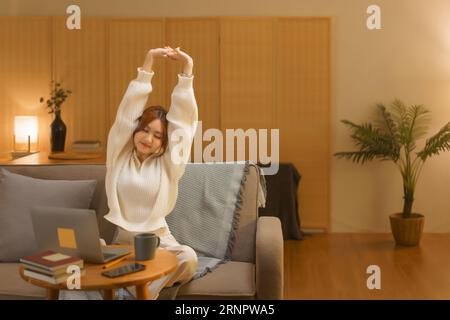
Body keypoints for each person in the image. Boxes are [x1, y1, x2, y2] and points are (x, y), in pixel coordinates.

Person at [60, 46, 199, 300]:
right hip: (122, 243)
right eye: (145, 130)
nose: (148, 138)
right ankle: (132, 288)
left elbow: (183, 125)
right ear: (136, 130)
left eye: (158, 136)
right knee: (79, 259)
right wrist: (147, 65)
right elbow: (126, 113)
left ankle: (133, 294)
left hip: (160, 242)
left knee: (188, 259)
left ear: (165, 143)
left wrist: (186, 70)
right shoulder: (118, 155)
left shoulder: (170, 165)